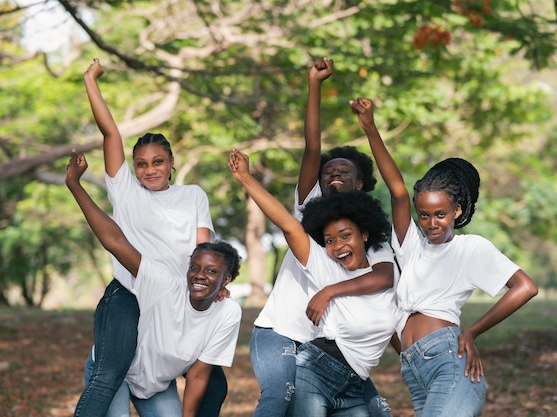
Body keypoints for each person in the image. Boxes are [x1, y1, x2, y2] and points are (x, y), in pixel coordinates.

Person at [349, 97, 540, 417]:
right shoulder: (410, 246)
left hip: (448, 364)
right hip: (415, 372)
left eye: (440, 214)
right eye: (423, 215)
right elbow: (397, 190)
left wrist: (471, 332)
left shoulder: (470, 248)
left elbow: (525, 287)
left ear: (457, 210)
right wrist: (370, 127)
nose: (431, 223)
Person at [75, 58, 224, 417]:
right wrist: (91, 80)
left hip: (175, 301)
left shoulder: (193, 195)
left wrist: (214, 284)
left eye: (158, 162)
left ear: (172, 161)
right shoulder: (126, 192)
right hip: (129, 295)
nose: (150, 169)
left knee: (214, 383)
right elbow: (111, 132)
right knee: (109, 374)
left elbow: (204, 248)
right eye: (141, 164)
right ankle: (104, 364)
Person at [249, 58, 394, 417]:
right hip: (283, 328)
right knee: (277, 400)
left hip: (332, 342)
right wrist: (314, 84)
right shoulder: (309, 209)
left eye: (344, 171)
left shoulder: (370, 236)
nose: (333, 176)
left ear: (361, 184)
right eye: (328, 173)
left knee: (378, 410)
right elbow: (312, 146)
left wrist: (329, 291)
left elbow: (384, 278)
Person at [66, 151, 242, 417]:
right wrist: (75, 185)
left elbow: (197, 376)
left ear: (225, 279)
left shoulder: (227, 312)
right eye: (194, 268)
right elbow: (114, 241)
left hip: (153, 385)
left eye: (211, 271)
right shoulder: (165, 286)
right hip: (122, 372)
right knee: (109, 382)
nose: (200, 276)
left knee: (215, 387)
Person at [229, 148, 398, 417]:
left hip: (349, 379)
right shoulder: (325, 266)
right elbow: (290, 226)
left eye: (345, 236)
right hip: (300, 349)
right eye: (329, 240)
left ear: (364, 234)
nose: (338, 245)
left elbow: (393, 323)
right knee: (277, 397)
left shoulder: (381, 268)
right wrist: (246, 179)